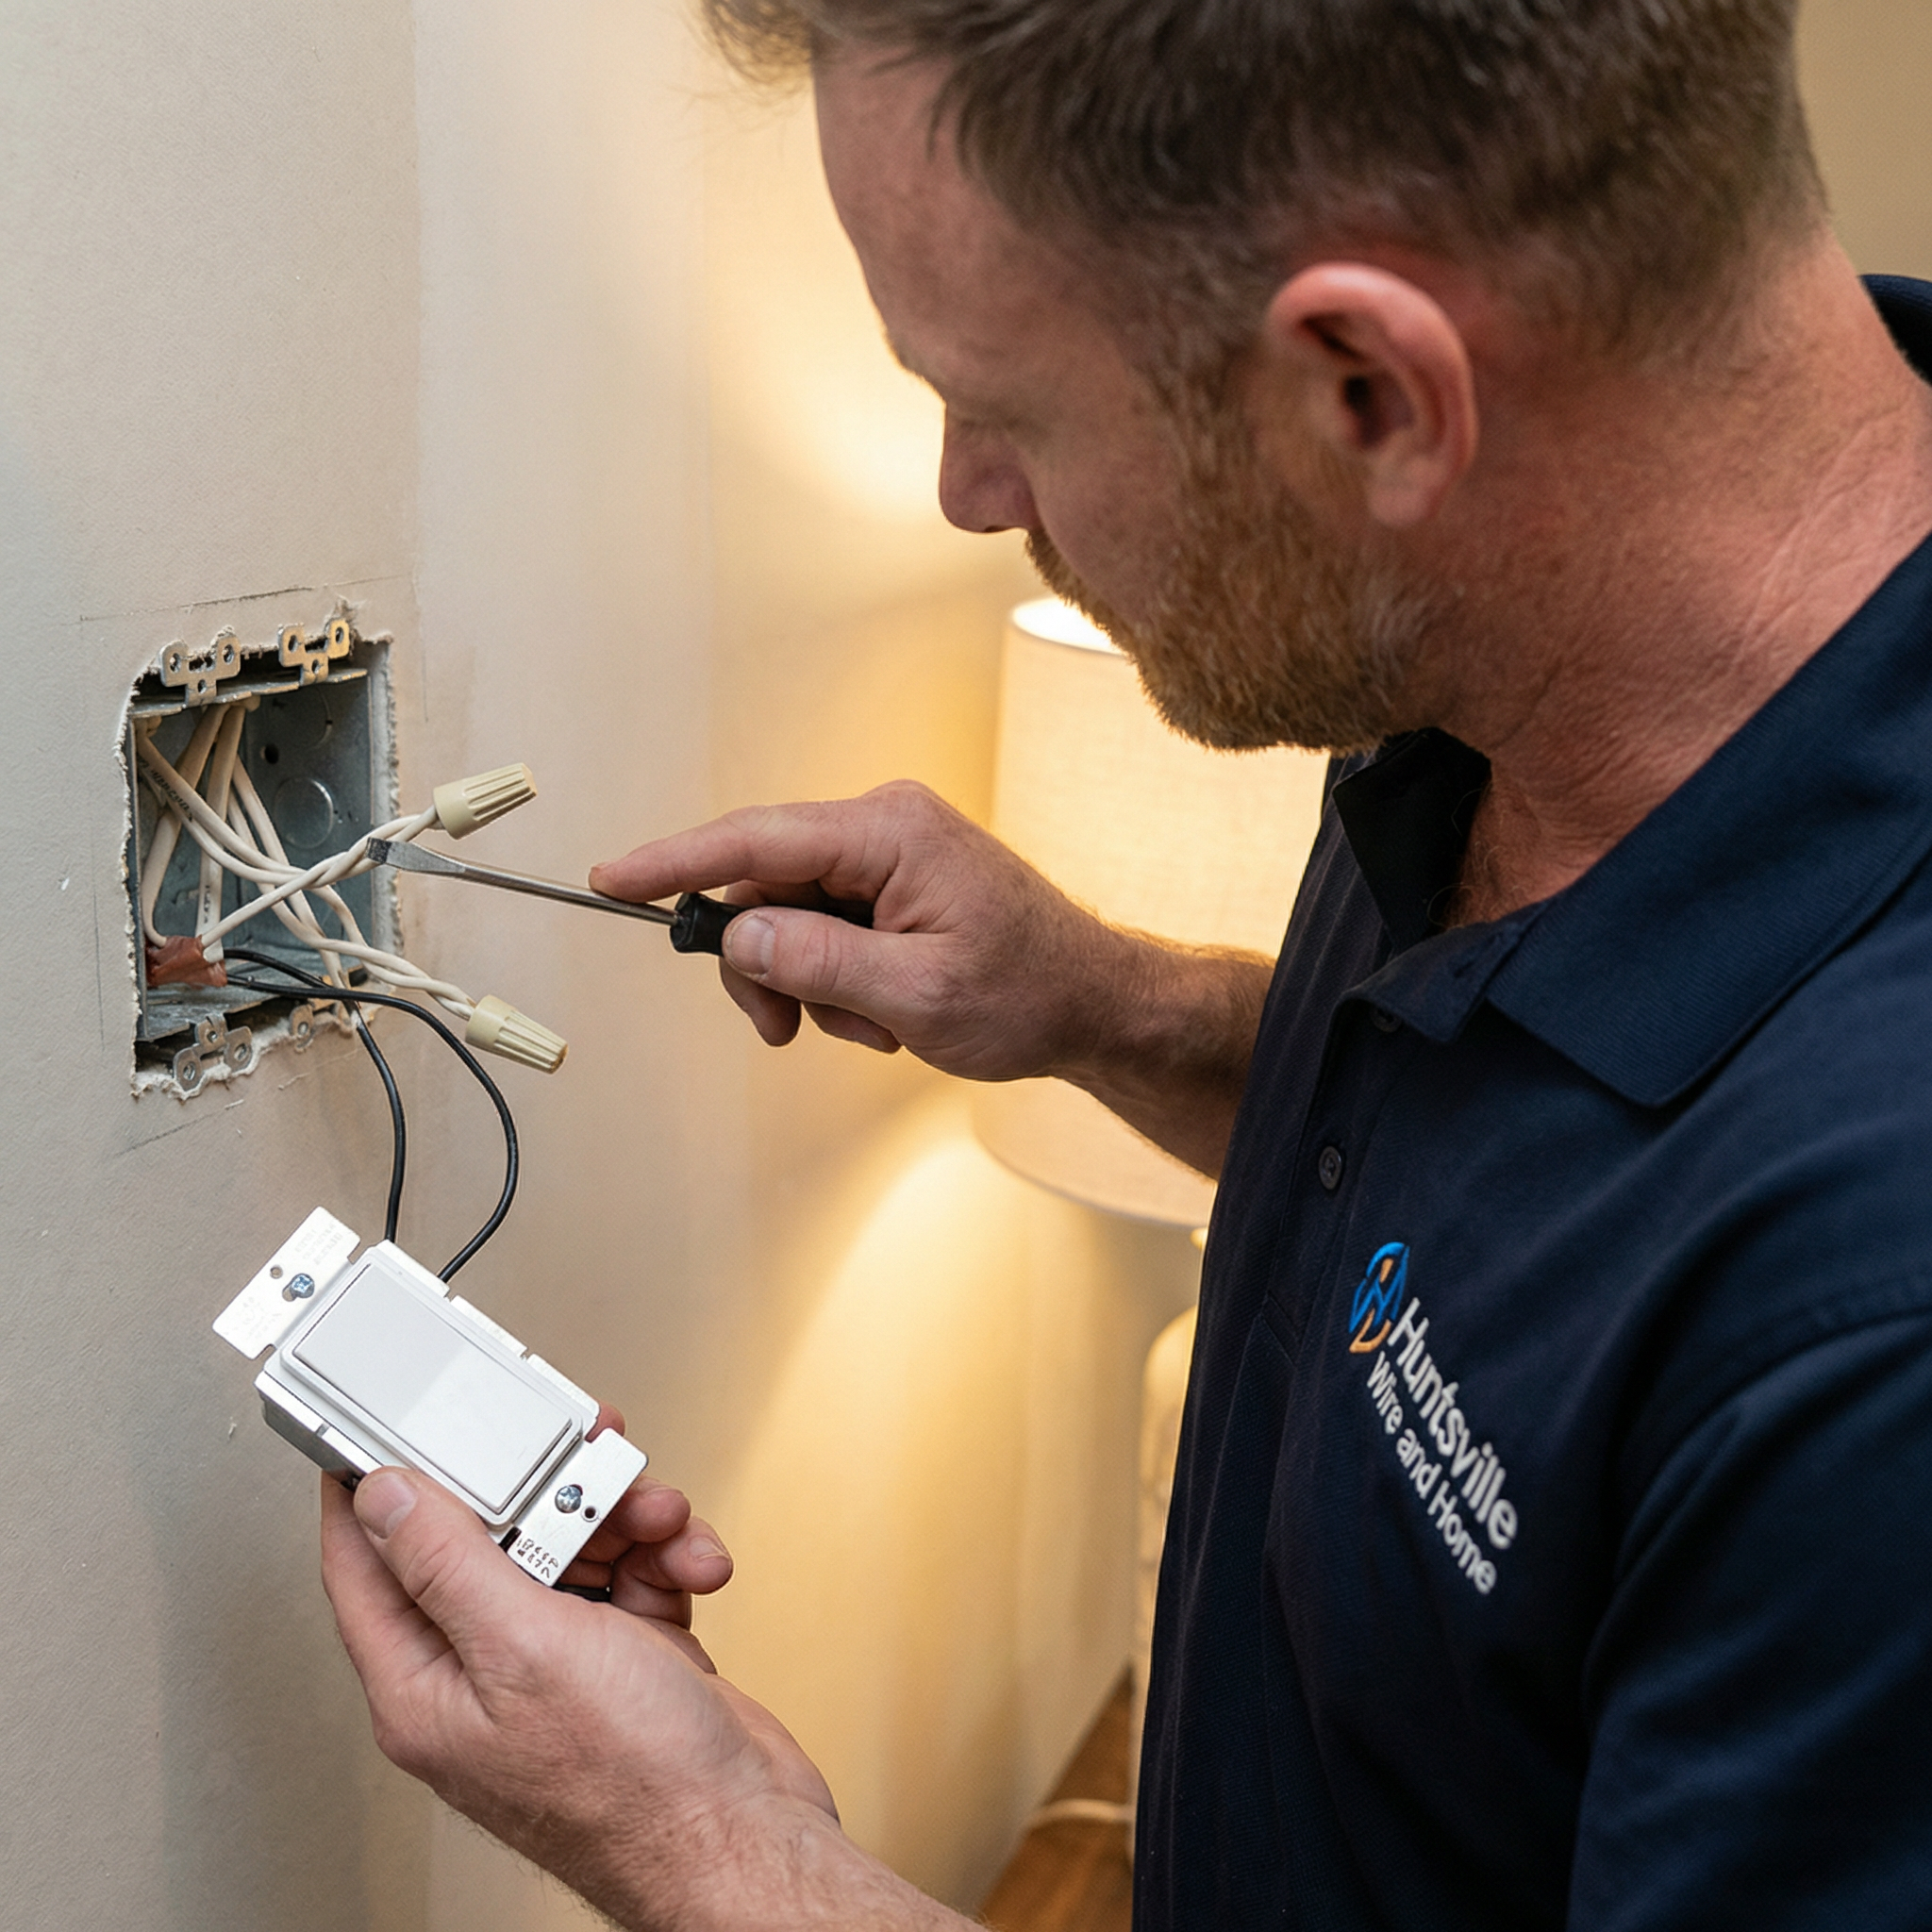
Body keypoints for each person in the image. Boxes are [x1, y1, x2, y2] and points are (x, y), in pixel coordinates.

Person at [322, 2, 1932, 1925]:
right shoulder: (1474, 645)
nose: (964, 494)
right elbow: (1523, 1213)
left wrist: (709, 1857)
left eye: (998, 411)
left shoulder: (1871, 1340)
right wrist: (1111, 1007)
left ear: (1369, 396)